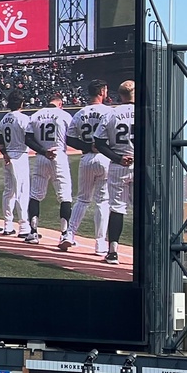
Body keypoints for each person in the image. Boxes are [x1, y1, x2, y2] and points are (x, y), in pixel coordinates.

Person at [62, 80, 112, 253]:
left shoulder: (80, 113)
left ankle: (69, 235)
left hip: (87, 158)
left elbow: (70, 139)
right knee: (102, 202)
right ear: (101, 92)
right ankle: (100, 244)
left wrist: (87, 146)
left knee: (82, 199)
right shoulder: (109, 112)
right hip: (105, 158)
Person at [24, 92, 74, 246]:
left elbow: (28, 139)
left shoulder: (35, 115)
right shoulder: (64, 115)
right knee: (64, 196)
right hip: (58, 155)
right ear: (60, 103)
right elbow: (71, 138)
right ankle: (65, 234)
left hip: (41, 156)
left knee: (35, 195)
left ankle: (33, 232)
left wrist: (43, 151)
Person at [95, 80, 135, 264]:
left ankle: (112, 252)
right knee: (144, 210)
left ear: (120, 95)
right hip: (140, 165)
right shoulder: (146, 113)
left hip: (119, 164)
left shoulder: (111, 113)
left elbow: (99, 143)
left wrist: (118, 158)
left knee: (117, 209)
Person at [0, 90, 31, 236]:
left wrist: (4, 154)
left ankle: (7, 225)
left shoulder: (4, 119)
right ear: (21, 103)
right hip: (20, 155)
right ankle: (24, 227)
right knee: (22, 192)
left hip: (8, 156)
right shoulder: (24, 118)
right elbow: (29, 138)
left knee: (9, 192)